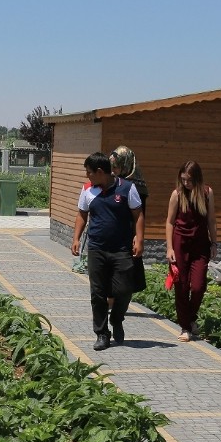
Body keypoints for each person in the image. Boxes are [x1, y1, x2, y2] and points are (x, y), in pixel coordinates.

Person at [71, 152, 144, 351]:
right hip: (97, 249)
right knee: (97, 293)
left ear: (101, 172)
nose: (88, 177)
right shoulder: (87, 190)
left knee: (124, 289)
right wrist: (76, 238)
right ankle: (102, 334)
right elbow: (82, 215)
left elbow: (137, 215)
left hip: (122, 249)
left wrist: (139, 238)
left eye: (90, 173)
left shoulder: (128, 188)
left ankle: (117, 319)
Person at [165, 160, 217, 342]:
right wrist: (169, 247)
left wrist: (214, 243)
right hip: (180, 244)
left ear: (197, 179)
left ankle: (191, 317)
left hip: (200, 245)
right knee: (181, 285)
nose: (186, 183)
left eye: (189, 180)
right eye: (183, 179)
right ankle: (185, 327)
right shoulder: (177, 195)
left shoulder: (207, 193)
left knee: (198, 286)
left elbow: (211, 220)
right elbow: (170, 222)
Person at [109, 146, 149, 298]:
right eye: (111, 167)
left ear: (125, 165)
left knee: (125, 269)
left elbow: (140, 215)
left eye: (116, 167)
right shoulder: (112, 182)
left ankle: (118, 301)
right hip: (113, 232)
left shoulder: (137, 187)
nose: (113, 171)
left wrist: (138, 237)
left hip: (128, 233)